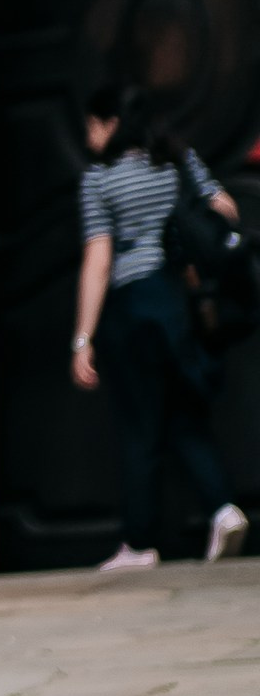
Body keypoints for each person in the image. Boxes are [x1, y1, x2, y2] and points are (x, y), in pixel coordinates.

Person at [72, 85, 251, 573]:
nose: (88, 137)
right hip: (178, 300)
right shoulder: (178, 162)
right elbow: (226, 208)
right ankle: (223, 508)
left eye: (92, 125)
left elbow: (98, 260)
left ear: (111, 124)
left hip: (133, 306)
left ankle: (140, 542)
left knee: (140, 425)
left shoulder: (100, 179)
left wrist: (82, 338)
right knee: (184, 413)